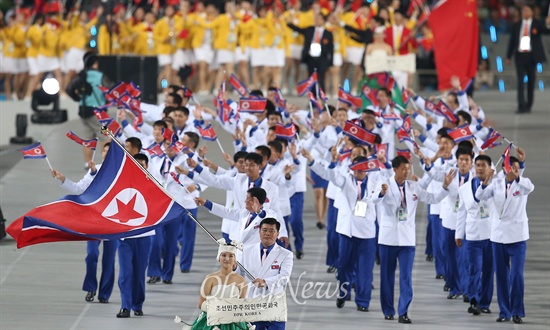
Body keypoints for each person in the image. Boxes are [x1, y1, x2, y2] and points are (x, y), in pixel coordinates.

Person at [374, 155, 455, 324]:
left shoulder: (414, 187)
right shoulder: (384, 184)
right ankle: (388, 310)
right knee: (387, 276)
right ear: (395, 169)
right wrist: (381, 193)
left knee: (406, 277)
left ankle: (403, 311)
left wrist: (445, 186)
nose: (406, 172)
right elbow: (373, 199)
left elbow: (432, 199)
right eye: (403, 169)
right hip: (388, 239)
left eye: (408, 168)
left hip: (407, 240)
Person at [50, 143, 117, 304]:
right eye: (104, 152)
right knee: (92, 254)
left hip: (114, 221)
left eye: (110, 152)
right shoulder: (94, 170)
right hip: (94, 220)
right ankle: (90, 287)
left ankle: (105, 294)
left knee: (109, 258)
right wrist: (63, 178)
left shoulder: (120, 172)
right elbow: (79, 188)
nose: (106, 154)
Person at [475, 152, 534, 324]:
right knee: (501, 275)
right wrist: (486, 181)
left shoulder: (523, 185)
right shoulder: (496, 184)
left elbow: (530, 187)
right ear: (504, 168)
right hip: (498, 236)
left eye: (517, 168)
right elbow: (479, 196)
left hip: (517, 237)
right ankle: (504, 312)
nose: (514, 171)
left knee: (516, 275)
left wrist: (519, 175)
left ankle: (517, 311)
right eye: (511, 167)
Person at [116, 153, 155, 318]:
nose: (139, 167)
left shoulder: (154, 184)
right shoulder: (121, 183)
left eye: (142, 164)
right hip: (125, 236)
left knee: (139, 273)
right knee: (125, 273)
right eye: (135, 164)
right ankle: (125, 306)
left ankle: (137, 304)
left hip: (144, 235)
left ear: (147, 166)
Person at [456, 154, 495, 315]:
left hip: (491, 235)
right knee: (474, 269)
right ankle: (473, 300)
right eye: (477, 165)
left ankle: (485, 302)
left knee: (488, 270)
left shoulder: (495, 185)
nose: (479, 168)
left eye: (483, 165)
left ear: (490, 168)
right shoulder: (464, 188)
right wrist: (459, 234)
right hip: (472, 235)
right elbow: (461, 211)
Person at [239, 218, 293, 330]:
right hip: (252, 304)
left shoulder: (286, 254)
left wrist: (265, 282)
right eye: (264, 230)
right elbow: (238, 274)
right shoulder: (246, 251)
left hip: (274, 304)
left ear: (277, 234)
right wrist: (231, 265)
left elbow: (284, 277)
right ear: (259, 232)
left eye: (272, 231)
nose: (267, 233)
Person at [187, 241, 253, 330]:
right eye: (224, 255)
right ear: (219, 258)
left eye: (231, 256)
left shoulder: (241, 281)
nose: (227, 259)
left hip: (233, 323)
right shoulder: (210, 278)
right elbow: (201, 303)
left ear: (235, 259)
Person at [66, 51, 113, 165]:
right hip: (98, 113)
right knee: (106, 137)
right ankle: (105, 163)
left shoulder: (81, 75)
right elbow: (111, 88)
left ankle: (88, 163)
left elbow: (69, 89)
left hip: (84, 111)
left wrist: (77, 98)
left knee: (88, 139)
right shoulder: (100, 76)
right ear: (95, 63)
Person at [505, 5, 550, 114]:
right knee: (520, 82)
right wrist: (508, 56)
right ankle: (521, 106)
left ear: (532, 12)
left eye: (527, 10)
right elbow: (512, 41)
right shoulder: (516, 25)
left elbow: (546, 32)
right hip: (520, 55)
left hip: (531, 56)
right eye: (523, 10)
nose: (524, 12)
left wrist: (548, 24)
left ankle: (529, 104)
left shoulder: (537, 23)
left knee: (531, 81)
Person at [286, 12, 333, 92]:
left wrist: (330, 62)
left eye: (319, 19)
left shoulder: (328, 33)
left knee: (321, 78)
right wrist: (289, 24)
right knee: (311, 78)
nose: (317, 20)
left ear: (323, 20)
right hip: (311, 57)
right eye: (316, 18)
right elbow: (299, 30)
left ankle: (321, 98)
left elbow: (331, 48)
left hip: (322, 59)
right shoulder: (310, 30)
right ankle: (312, 98)